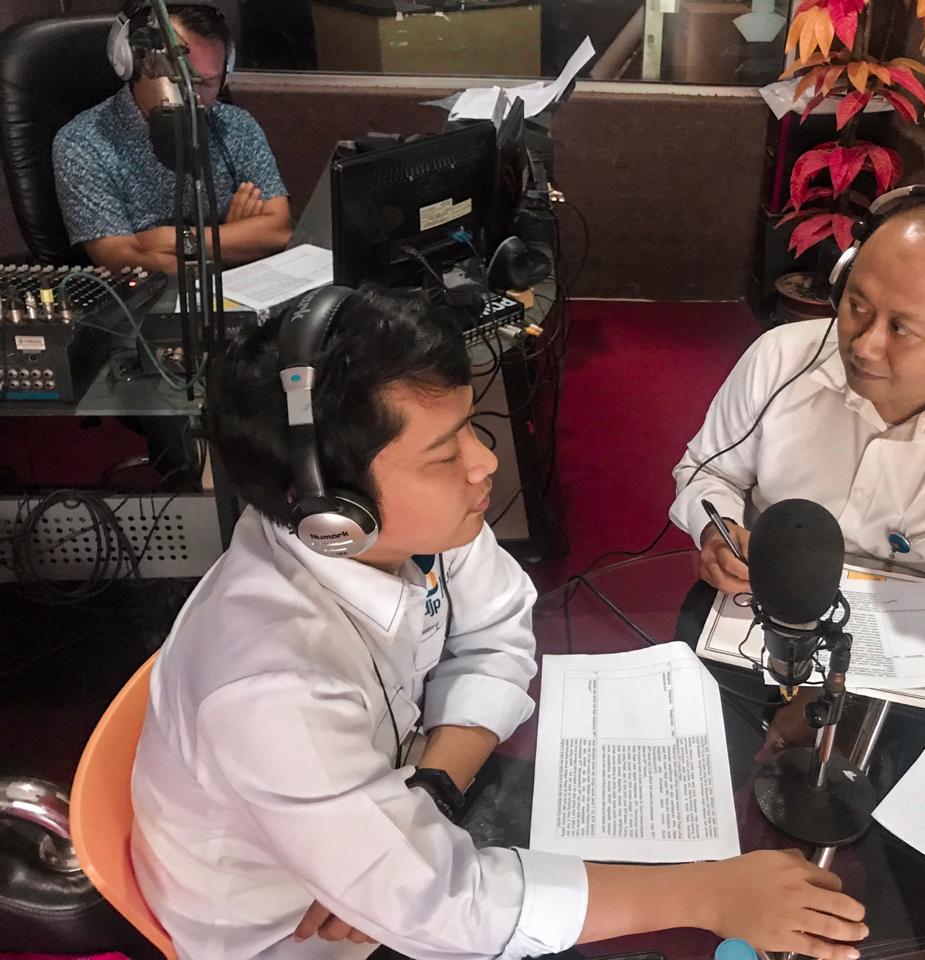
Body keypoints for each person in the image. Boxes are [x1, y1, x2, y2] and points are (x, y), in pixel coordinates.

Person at [130, 284, 870, 959]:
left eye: (469, 427)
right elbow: (442, 906)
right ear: (331, 511)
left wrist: (432, 790)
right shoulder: (270, 690)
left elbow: (499, 625)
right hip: (301, 934)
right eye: (442, 453)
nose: (483, 461)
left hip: (398, 825)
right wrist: (705, 896)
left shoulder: (405, 523)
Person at [671, 187, 925, 617]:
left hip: (907, 636)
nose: (864, 346)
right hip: (761, 607)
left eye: (901, 329)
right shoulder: (779, 358)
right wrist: (717, 529)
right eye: (857, 305)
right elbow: (708, 472)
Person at [52, 1, 292, 273]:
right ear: (135, 64)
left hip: (235, 289)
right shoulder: (82, 143)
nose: (194, 96)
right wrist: (233, 241)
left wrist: (171, 239)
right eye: (181, 79)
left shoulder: (235, 125)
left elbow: (278, 230)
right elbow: (122, 259)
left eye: (206, 82)